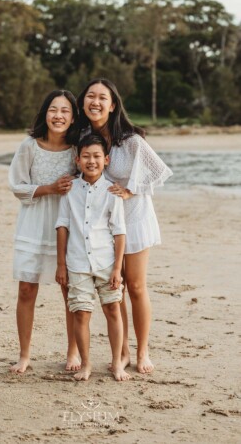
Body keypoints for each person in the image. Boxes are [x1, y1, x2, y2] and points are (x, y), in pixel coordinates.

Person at [77, 79, 173, 374]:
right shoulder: (83, 137)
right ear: (83, 103)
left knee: (135, 286)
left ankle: (143, 352)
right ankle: (124, 352)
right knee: (114, 287)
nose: (95, 101)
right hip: (105, 225)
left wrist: (131, 189)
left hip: (134, 219)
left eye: (102, 97)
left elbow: (159, 171)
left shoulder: (130, 140)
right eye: (90, 96)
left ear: (112, 104)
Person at [9, 90, 81, 373]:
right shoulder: (29, 146)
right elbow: (16, 185)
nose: (59, 115)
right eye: (53, 109)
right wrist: (50, 188)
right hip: (33, 223)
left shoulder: (77, 148)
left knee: (69, 291)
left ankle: (73, 352)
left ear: (73, 117)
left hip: (66, 226)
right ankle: (24, 355)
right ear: (45, 113)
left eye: (65, 111)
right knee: (26, 289)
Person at [55, 134, 130, 381]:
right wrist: (61, 265)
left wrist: (118, 269)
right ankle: (86, 364)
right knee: (81, 313)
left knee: (112, 310)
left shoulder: (112, 192)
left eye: (97, 156)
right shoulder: (70, 189)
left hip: (106, 263)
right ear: (77, 160)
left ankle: (117, 363)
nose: (91, 161)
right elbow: (63, 226)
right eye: (86, 156)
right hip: (77, 263)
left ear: (106, 160)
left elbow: (119, 232)